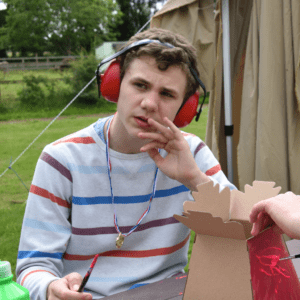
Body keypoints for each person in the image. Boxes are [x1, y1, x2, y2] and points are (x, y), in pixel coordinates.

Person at [16, 28, 236, 300]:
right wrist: (50, 289)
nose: (149, 103)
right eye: (140, 85)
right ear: (114, 84)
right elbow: (32, 265)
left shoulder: (191, 154)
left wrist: (194, 179)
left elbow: (245, 228)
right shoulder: (61, 160)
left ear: (185, 109)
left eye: (167, 94)